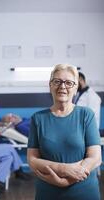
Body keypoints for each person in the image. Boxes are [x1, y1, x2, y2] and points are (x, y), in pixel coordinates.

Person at [27, 64, 101, 200]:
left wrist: (65, 181)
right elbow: (32, 159)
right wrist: (63, 169)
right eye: (57, 81)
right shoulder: (38, 118)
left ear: (75, 87)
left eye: (68, 82)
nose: (62, 86)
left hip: (84, 191)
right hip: (48, 192)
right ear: (50, 85)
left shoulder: (86, 115)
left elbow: (95, 158)